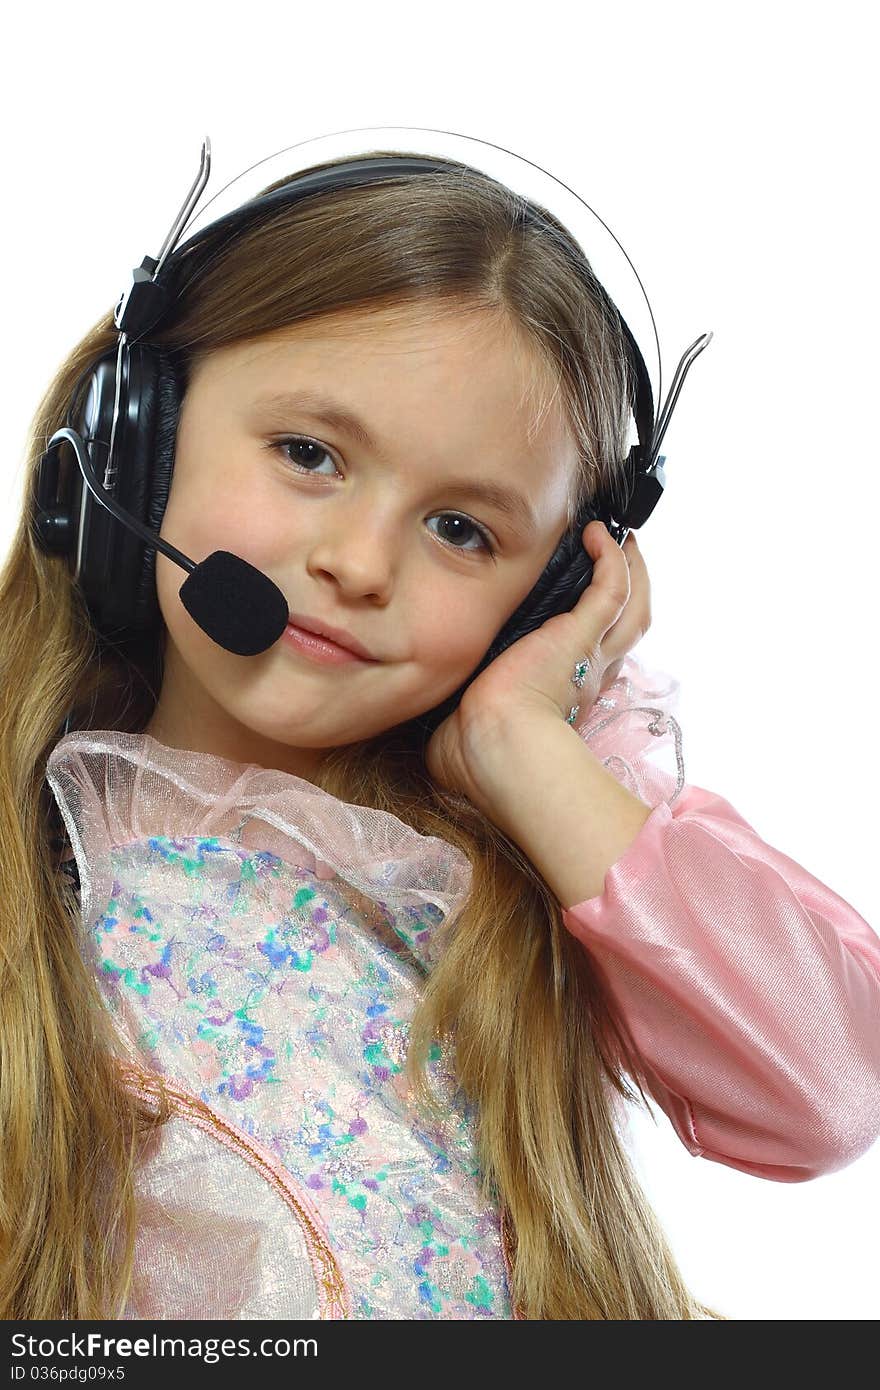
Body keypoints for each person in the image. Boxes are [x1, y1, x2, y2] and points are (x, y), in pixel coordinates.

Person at [1, 150, 878, 1323]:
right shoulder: (37, 872)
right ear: (134, 437)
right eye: (307, 453)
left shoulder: (509, 868)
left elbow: (823, 1086)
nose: (358, 567)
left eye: (462, 529)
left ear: (548, 592)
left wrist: (524, 743)